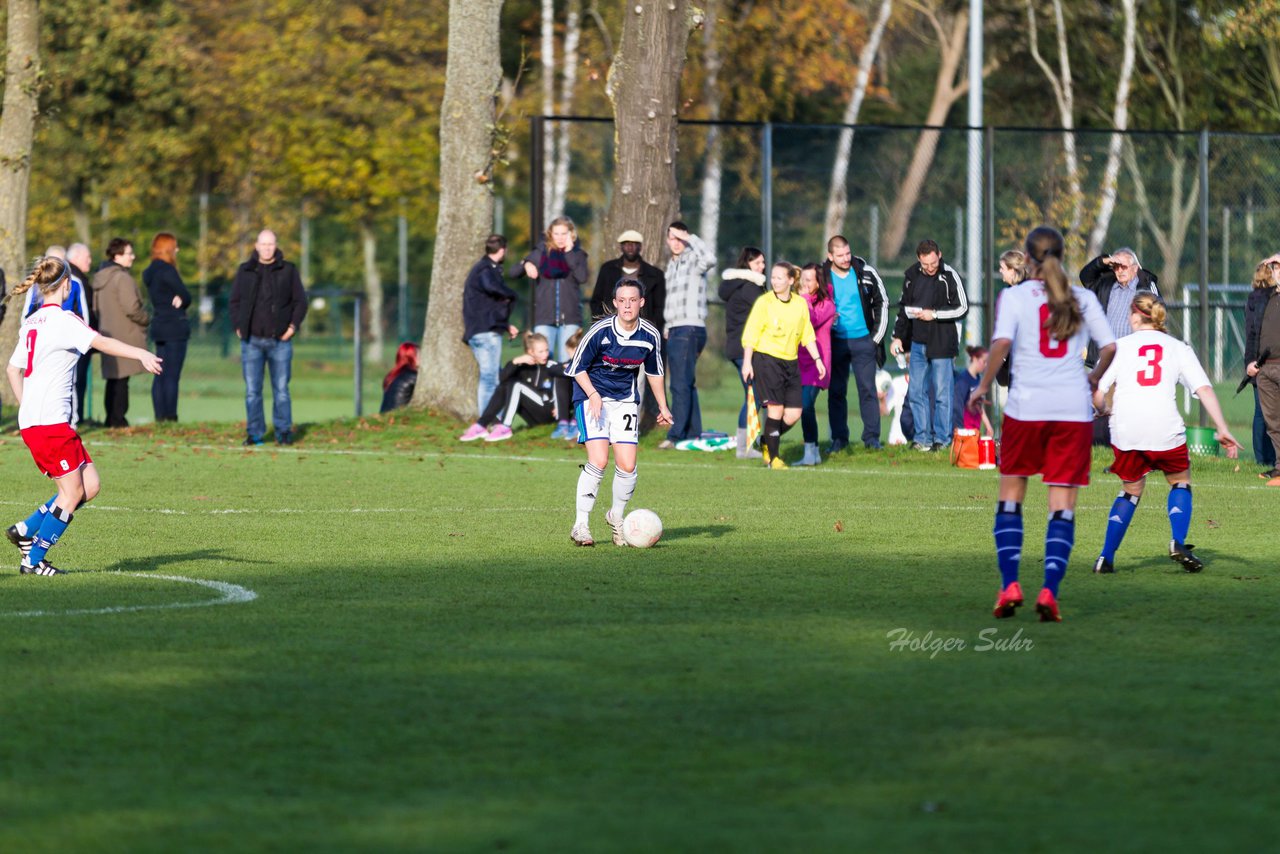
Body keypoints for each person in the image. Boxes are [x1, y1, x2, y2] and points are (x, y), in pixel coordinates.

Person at [968, 225, 1116, 623]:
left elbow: (1000, 346)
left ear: (1028, 259)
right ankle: (1050, 591)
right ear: (1062, 255)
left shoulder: (1014, 296)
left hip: (1026, 408)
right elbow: (1110, 347)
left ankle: (1010, 584)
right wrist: (1095, 378)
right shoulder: (1082, 296)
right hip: (1071, 411)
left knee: (1011, 496)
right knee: (1062, 506)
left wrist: (982, 386)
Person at [4, 256, 163, 575]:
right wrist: (140, 353)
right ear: (66, 284)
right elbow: (101, 342)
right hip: (50, 424)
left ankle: (25, 530)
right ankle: (33, 561)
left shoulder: (31, 322)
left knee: (88, 485)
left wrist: (27, 409)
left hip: (38, 423)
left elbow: (12, 369)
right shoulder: (64, 320)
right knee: (72, 492)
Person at [1091, 293, 1240, 574]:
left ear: (1136, 316)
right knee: (1180, 482)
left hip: (1126, 429)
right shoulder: (1177, 347)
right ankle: (1178, 542)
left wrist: (1102, 408)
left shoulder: (1118, 347)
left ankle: (1105, 558)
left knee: (1131, 490)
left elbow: (1098, 393)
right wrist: (1222, 427)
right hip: (1164, 427)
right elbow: (1203, 389)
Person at [566, 278, 672, 546]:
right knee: (599, 460)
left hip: (624, 400)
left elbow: (654, 372)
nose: (627, 305)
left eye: (632, 300)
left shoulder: (650, 335)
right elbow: (576, 367)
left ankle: (616, 516)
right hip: (591, 396)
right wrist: (592, 395)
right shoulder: (600, 331)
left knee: (627, 465)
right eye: (622, 300)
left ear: (641, 303)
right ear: (615, 303)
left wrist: (662, 406)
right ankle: (581, 525)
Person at [741, 262, 825, 469]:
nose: (774, 281)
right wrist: (746, 362)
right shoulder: (765, 302)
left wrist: (818, 360)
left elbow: (807, 334)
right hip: (767, 360)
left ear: (790, 280)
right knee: (775, 410)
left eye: (779, 277)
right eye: (773, 277)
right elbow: (751, 333)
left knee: (795, 413)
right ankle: (774, 458)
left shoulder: (799, 304)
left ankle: (766, 441)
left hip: (791, 362)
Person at [229, 229, 308, 446]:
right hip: (251, 341)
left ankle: (283, 432)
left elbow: (300, 301)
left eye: (270, 244)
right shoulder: (245, 270)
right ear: (256, 246)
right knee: (252, 391)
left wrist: (292, 327)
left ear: (276, 245)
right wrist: (238, 326)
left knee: (281, 390)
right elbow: (234, 301)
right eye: (263, 244)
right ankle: (255, 434)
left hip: (280, 342)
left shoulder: (288, 270)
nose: (266, 248)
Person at [891, 239, 968, 452]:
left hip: (942, 343)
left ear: (939, 255)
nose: (930, 268)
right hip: (917, 343)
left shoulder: (950, 276)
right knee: (916, 392)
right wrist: (897, 337)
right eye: (926, 264)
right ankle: (922, 439)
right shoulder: (911, 276)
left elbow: (962, 308)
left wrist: (934, 315)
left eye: (933, 263)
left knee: (943, 394)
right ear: (919, 260)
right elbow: (904, 310)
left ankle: (942, 440)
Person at [589, 229, 666, 435]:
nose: (630, 247)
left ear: (640, 247)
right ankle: (600, 422)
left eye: (634, 243)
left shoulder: (654, 274)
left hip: (638, 339)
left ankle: (632, 426)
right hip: (612, 338)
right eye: (626, 243)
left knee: (638, 382)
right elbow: (596, 300)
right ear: (621, 246)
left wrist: (649, 331)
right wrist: (602, 326)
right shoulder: (608, 270)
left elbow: (659, 308)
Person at [823, 235, 888, 453]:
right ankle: (839, 439)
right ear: (830, 256)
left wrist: (875, 340)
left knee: (868, 390)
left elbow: (883, 302)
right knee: (836, 391)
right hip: (836, 343)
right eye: (840, 255)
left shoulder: (866, 272)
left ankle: (872, 439)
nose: (845, 258)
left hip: (864, 342)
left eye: (848, 253)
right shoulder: (822, 276)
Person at [660, 221, 716, 449]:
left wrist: (690, 237)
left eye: (679, 238)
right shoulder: (670, 266)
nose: (676, 243)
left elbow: (710, 259)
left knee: (679, 383)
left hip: (689, 328)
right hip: (675, 328)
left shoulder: (693, 259)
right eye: (672, 238)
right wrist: (667, 327)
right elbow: (671, 300)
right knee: (686, 381)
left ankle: (676, 435)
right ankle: (693, 432)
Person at [458, 332, 573, 442]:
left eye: (546, 350)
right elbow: (501, 381)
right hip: (532, 417)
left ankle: (505, 427)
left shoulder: (552, 366)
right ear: (530, 352)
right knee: (508, 384)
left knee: (516, 385)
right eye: (541, 351)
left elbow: (566, 386)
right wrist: (515, 362)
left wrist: (561, 407)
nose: (545, 354)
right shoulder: (522, 366)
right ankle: (481, 425)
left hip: (548, 412)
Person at [25, 245, 91, 427]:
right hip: (44, 344)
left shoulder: (74, 284)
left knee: (70, 381)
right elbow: (27, 315)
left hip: (67, 341)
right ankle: (38, 418)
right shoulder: (36, 286)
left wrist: (79, 338)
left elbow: (83, 315)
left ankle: (71, 422)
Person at [89, 238, 149, 428]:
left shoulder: (101, 277)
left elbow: (96, 308)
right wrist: (146, 319)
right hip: (125, 334)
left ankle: (112, 418)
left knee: (114, 380)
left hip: (108, 332)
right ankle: (118, 420)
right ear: (117, 255)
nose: (133, 257)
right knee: (122, 381)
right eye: (129, 253)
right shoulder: (121, 278)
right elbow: (132, 308)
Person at [718, 247, 767, 459]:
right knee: (754, 396)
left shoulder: (738, 286)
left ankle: (749, 443)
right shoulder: (750, 288)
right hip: (745, 349)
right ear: (747, 264)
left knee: (754, 396)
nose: (762, 267)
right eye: (757, 263)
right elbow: (768, 311)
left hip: (737, 348)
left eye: (763, 263)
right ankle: (743, 448)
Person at [462, 234, 519, 416]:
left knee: (493, 374)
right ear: (502, 250)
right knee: (490, 378)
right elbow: (492, 288)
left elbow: (488, 304)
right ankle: (490, 420)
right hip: (485, 332)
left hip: (482, 329)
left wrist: (506, 324)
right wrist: (511, 294)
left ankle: (492, 418)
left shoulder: (486, 269)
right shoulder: (486, 270)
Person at [518, 216, 588, 363]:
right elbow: (513, 272)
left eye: (564, 233)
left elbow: (582, 277)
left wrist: (569, 253)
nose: (560, 238)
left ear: (571, 234)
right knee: (543, 361)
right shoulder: (541, 252)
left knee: (567, 362)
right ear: (550, 234)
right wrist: (526, 264)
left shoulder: (578, 254)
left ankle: (565, 387)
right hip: (544, 317)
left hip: (569, 319)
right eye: (556, 233)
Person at [142, 233, 192, 422]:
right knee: (172, 374)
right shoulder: (168, 271)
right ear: (169, 249)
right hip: (174, 327)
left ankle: (159, 416)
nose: (177, 250)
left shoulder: (149, 272)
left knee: (159, 374)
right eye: (175, 247)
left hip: (159, 325)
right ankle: (170, 416)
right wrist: (183, 299)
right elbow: (186, 296)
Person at [795, 263, 835, 466]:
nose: (805, 284)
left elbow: (811, 320)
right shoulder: (800, 298)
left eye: (809, 280)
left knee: (806, 404)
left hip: (817, 363)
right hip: (798, 361)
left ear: (819, 281)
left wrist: (803, 299)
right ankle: (812, 453)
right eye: (803, 279)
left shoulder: (827, 304)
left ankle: (811, 450)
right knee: (799, 406)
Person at [1245, 254, 1280, 483]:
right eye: (1275, 267)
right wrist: (1251, 361)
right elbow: (1253, 333)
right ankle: (1278, 467)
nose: (1276, 270)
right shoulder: (1265, 297)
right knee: (1272, 422)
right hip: (1265, 368)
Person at [66, 243, 96, 424]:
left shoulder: (77, 280)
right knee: (73, 381)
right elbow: (84, 315)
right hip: (73, 341)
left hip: (77, 339)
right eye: (88, 258)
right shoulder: (75, 280)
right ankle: (73, 421)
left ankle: (72, 420)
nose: (90, 262)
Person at [953, 345, 993, 435]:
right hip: (965, 425)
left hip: (975, 423)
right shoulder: (963, 379)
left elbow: (979, 406)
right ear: (975, 359)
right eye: (984, 362)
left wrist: (988, 425)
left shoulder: (978, 379)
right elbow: (958, 406)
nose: (985, 365)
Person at [380, 342, 420, 413]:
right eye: (419, 354)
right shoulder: (413, 376)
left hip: (385, 418)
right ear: (411, 357)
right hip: (399, 418)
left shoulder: (392, 375)